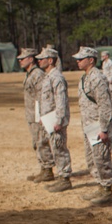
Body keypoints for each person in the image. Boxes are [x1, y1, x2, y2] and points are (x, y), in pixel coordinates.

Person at [73, 46, 112, 205]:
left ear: (91, 60)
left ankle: (106, 190)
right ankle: (100, 186)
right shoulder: (85, 78)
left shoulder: (97, 77)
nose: (78, 62)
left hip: (98, 126)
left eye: (81, 59)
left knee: (101, 158)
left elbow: (105, 105)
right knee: (92, 160)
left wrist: (104, 129)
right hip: (88, 125)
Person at [35, 47, 73, 193]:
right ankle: (60, 177)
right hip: (48, 120)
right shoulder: (48, 76)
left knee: (59, 148)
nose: (39, 61)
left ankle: (64, 179)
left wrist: (59, 120)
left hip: (55, 121)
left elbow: (60, 101)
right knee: (54, 147)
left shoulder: (57, 77)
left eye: (42, 59)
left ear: (50, 60)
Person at [19, 47, 55, 183]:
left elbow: (42, 97)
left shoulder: (37, 75)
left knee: (41, 141)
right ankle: (43, 168)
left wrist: (41, 116)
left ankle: (48, 169)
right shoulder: (30, 74)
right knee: (36, 142)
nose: (20, 61)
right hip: (31, 115)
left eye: (23, 59)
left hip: (38, 115)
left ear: (30, 59)